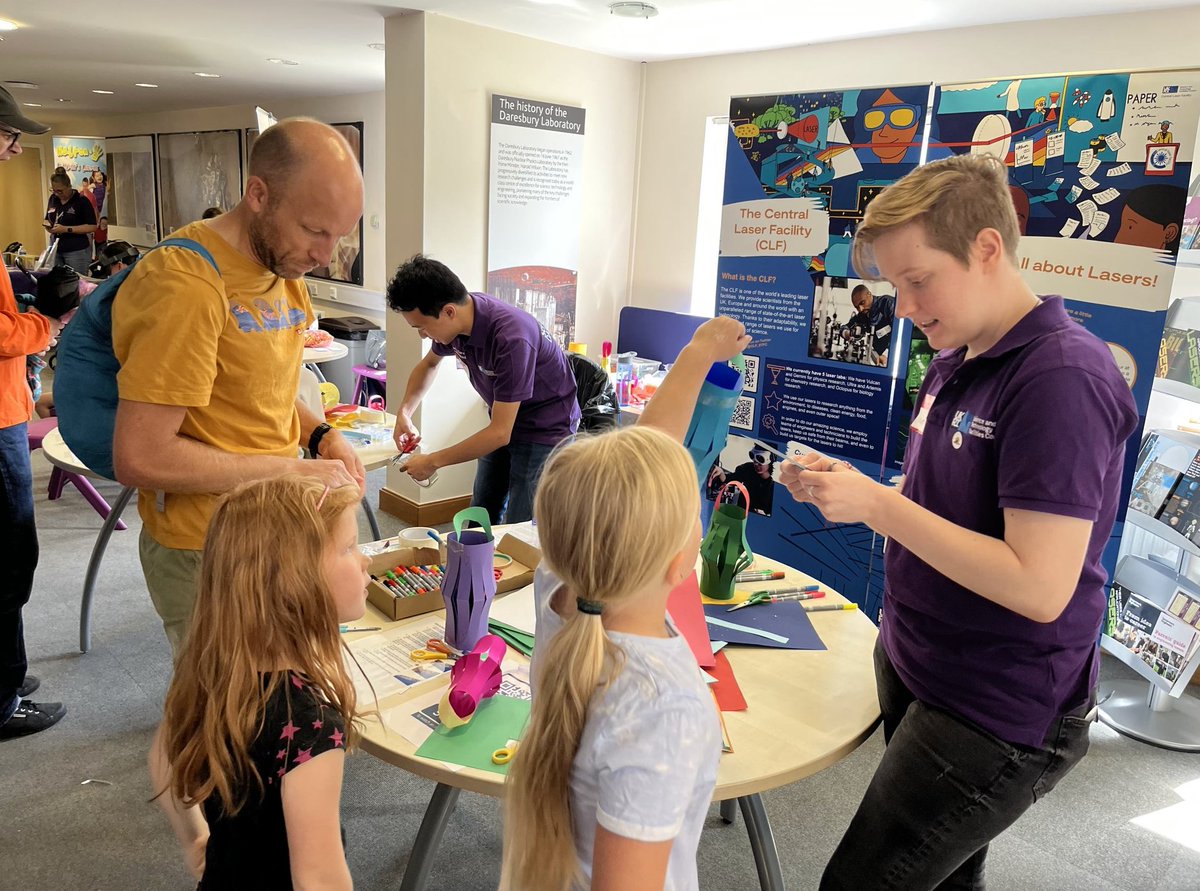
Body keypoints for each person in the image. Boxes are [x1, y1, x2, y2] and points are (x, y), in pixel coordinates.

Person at [778, 154, 1138, 890]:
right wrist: (860, 488)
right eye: (895, 285)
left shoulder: (1061, 377)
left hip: (995, 699)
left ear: (986, 248)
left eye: (917, 280)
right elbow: (941, 493)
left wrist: (881, 506)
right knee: (940, 874)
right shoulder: (958, 351)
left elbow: (1040, 585)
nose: (902, 306)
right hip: (924, 656)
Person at [502, 317, 749, 891]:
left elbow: (636, 468)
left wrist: (696, 356)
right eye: (693, 515)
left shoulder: (562, 589)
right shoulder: (662, 706)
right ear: (677, 564)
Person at [111, 117, 367, 657]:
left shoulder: (284, 274)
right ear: (258, 194)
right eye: (315, 230)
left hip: (274, 530)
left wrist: (321, 437)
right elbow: (140, 456)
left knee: (280, 709)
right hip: (207, 547)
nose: (326, 254)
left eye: (341, 235)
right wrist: (295, 469)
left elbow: (264, 392)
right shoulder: (187, 283)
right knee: (225, 720)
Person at [150, 475, 366, 887]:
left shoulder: (215, 673)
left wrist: (195, 837)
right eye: (349, 547)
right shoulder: (311, 725)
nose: (365, 559)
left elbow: (162, 754)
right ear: (295, 583)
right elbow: (318, 879)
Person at [386, 255, 580, 524]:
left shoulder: (512, 338)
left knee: (521, 525)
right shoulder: (459, 320)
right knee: (481, 512)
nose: (422, 335)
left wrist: (433, 461)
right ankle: (476, 565)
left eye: (422, 327)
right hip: (503, 418)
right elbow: (429, 365)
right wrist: (405, 412)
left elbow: (500, 433)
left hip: (545, 428)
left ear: (449, 311)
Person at [0, 87, 67, 738]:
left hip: (7, 410)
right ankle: (3, 698)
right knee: (10, 552)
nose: (15, 146)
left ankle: (7, 674)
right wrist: (43, 324)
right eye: (8, 134)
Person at [43, 171, 98, 275]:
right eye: (53, 190)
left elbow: (92, 226)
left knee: (77, 282)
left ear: (69, 186)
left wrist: (66, 229)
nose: (57, 194)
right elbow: (47, 218)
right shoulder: (53, 199)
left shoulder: (81, 201)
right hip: (56, 248)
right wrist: (48, 227)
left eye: (60, 191)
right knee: (58, 282)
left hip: (76, 250)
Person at [849, 283, 896, 366]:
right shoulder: (863, 314)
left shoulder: (887, 303)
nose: (860, 309)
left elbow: (900, 333)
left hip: (891, 358)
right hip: (876, 358)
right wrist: (846, 333)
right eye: (857, 307)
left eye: (862, 302)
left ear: (869, 294)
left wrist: (887, 354)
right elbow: (847, 326)